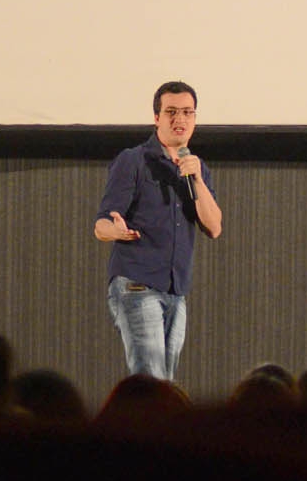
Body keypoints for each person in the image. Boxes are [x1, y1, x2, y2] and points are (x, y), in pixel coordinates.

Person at [94, 81, 222, 380]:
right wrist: (115, 231)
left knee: (165, 385)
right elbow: (100, 225)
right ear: (157, 118)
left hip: (176, 291)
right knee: (151, 380)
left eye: (187, 112)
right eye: (171, 112)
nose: (180, 120)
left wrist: (198, 181)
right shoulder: (133, 160)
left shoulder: (197, 168)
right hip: (137, 285)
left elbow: (214, 227)